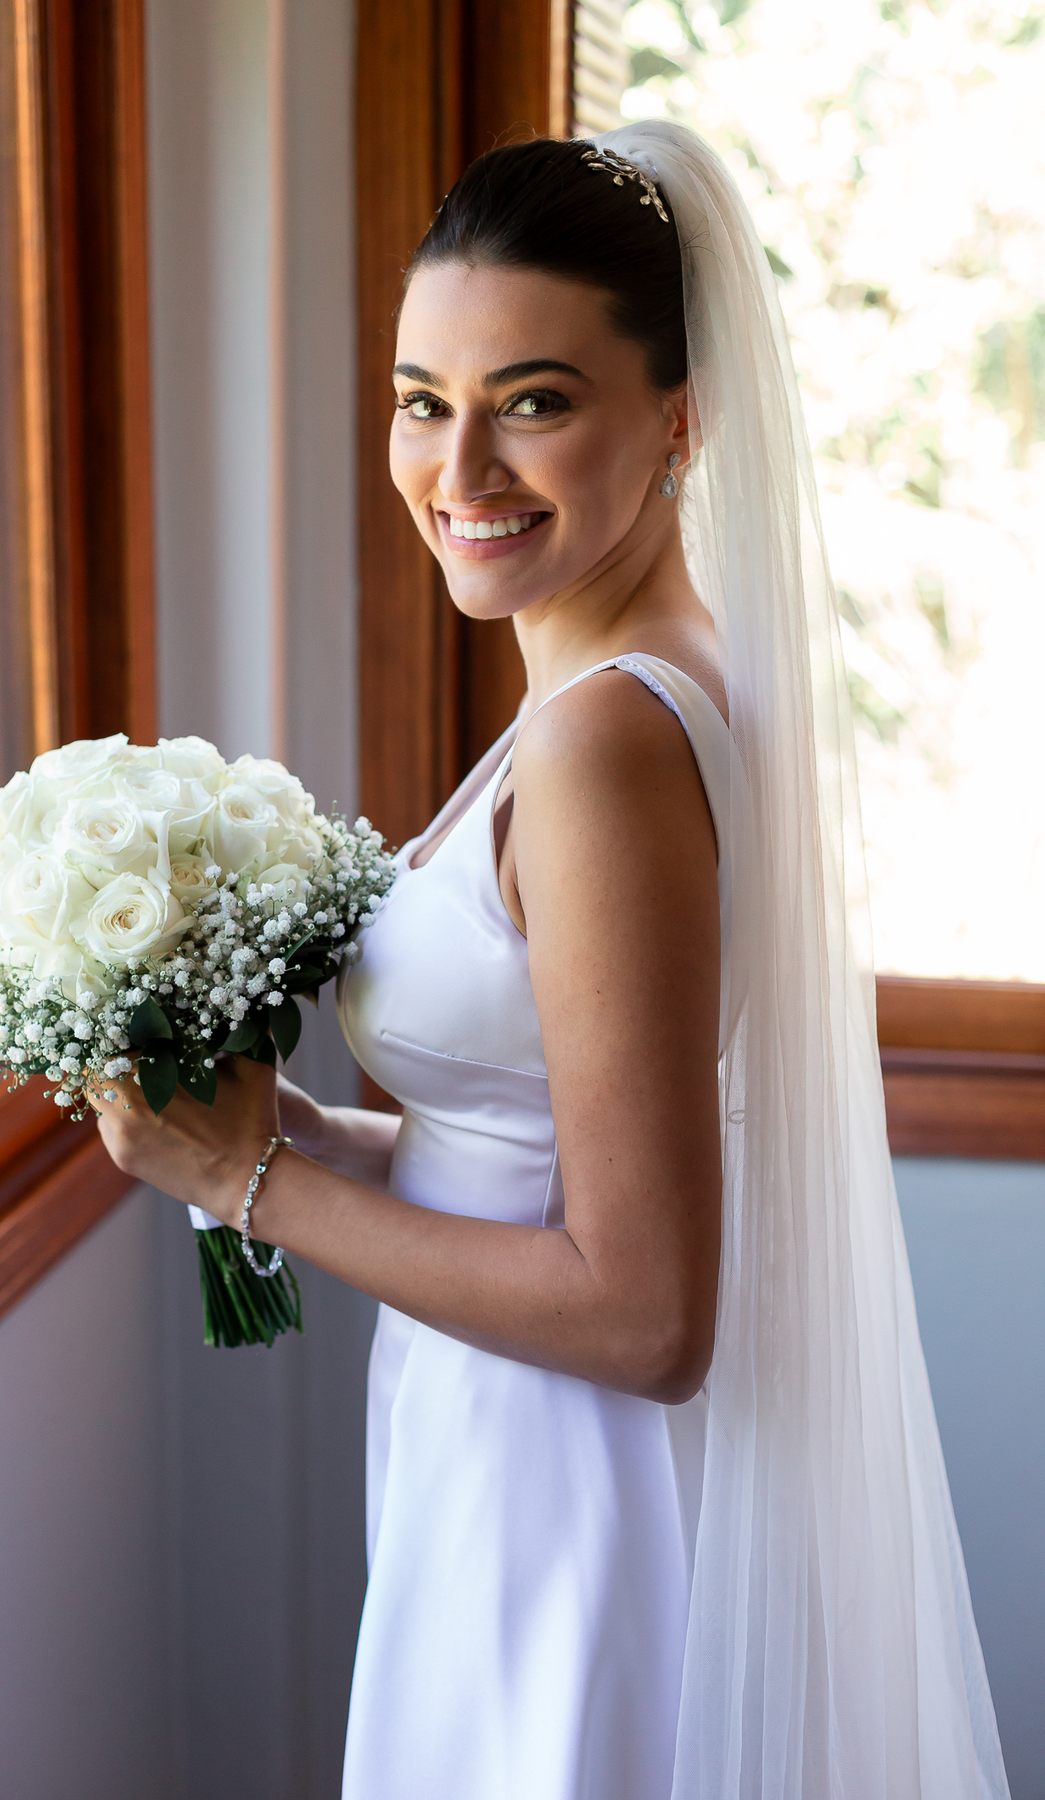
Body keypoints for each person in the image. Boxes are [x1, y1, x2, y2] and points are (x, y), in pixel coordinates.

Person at [95, 125, 1009, 1799]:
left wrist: (258, 1192)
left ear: (680, 418)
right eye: (420, 399)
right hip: (510, 1454)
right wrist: (258, 1134)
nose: (460, 468)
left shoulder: (604, 748)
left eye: (533, 400)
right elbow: (525, 1155)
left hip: (566, 1504)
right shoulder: (647, 677)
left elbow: (649, 1307)